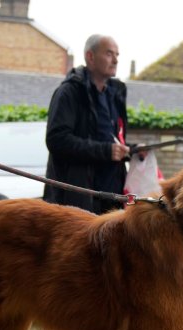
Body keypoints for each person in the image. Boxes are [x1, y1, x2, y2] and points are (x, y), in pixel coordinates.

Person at [43, 34, 132, 215]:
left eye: (117, 55)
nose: (115, 60)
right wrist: (106, 151)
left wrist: (133, 150)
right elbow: (56, 140)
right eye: (109, 54)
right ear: (90, 56)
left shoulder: (114, 95)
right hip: (77, 201)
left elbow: (110, 140)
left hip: (110, 200)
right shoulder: (69, 92)